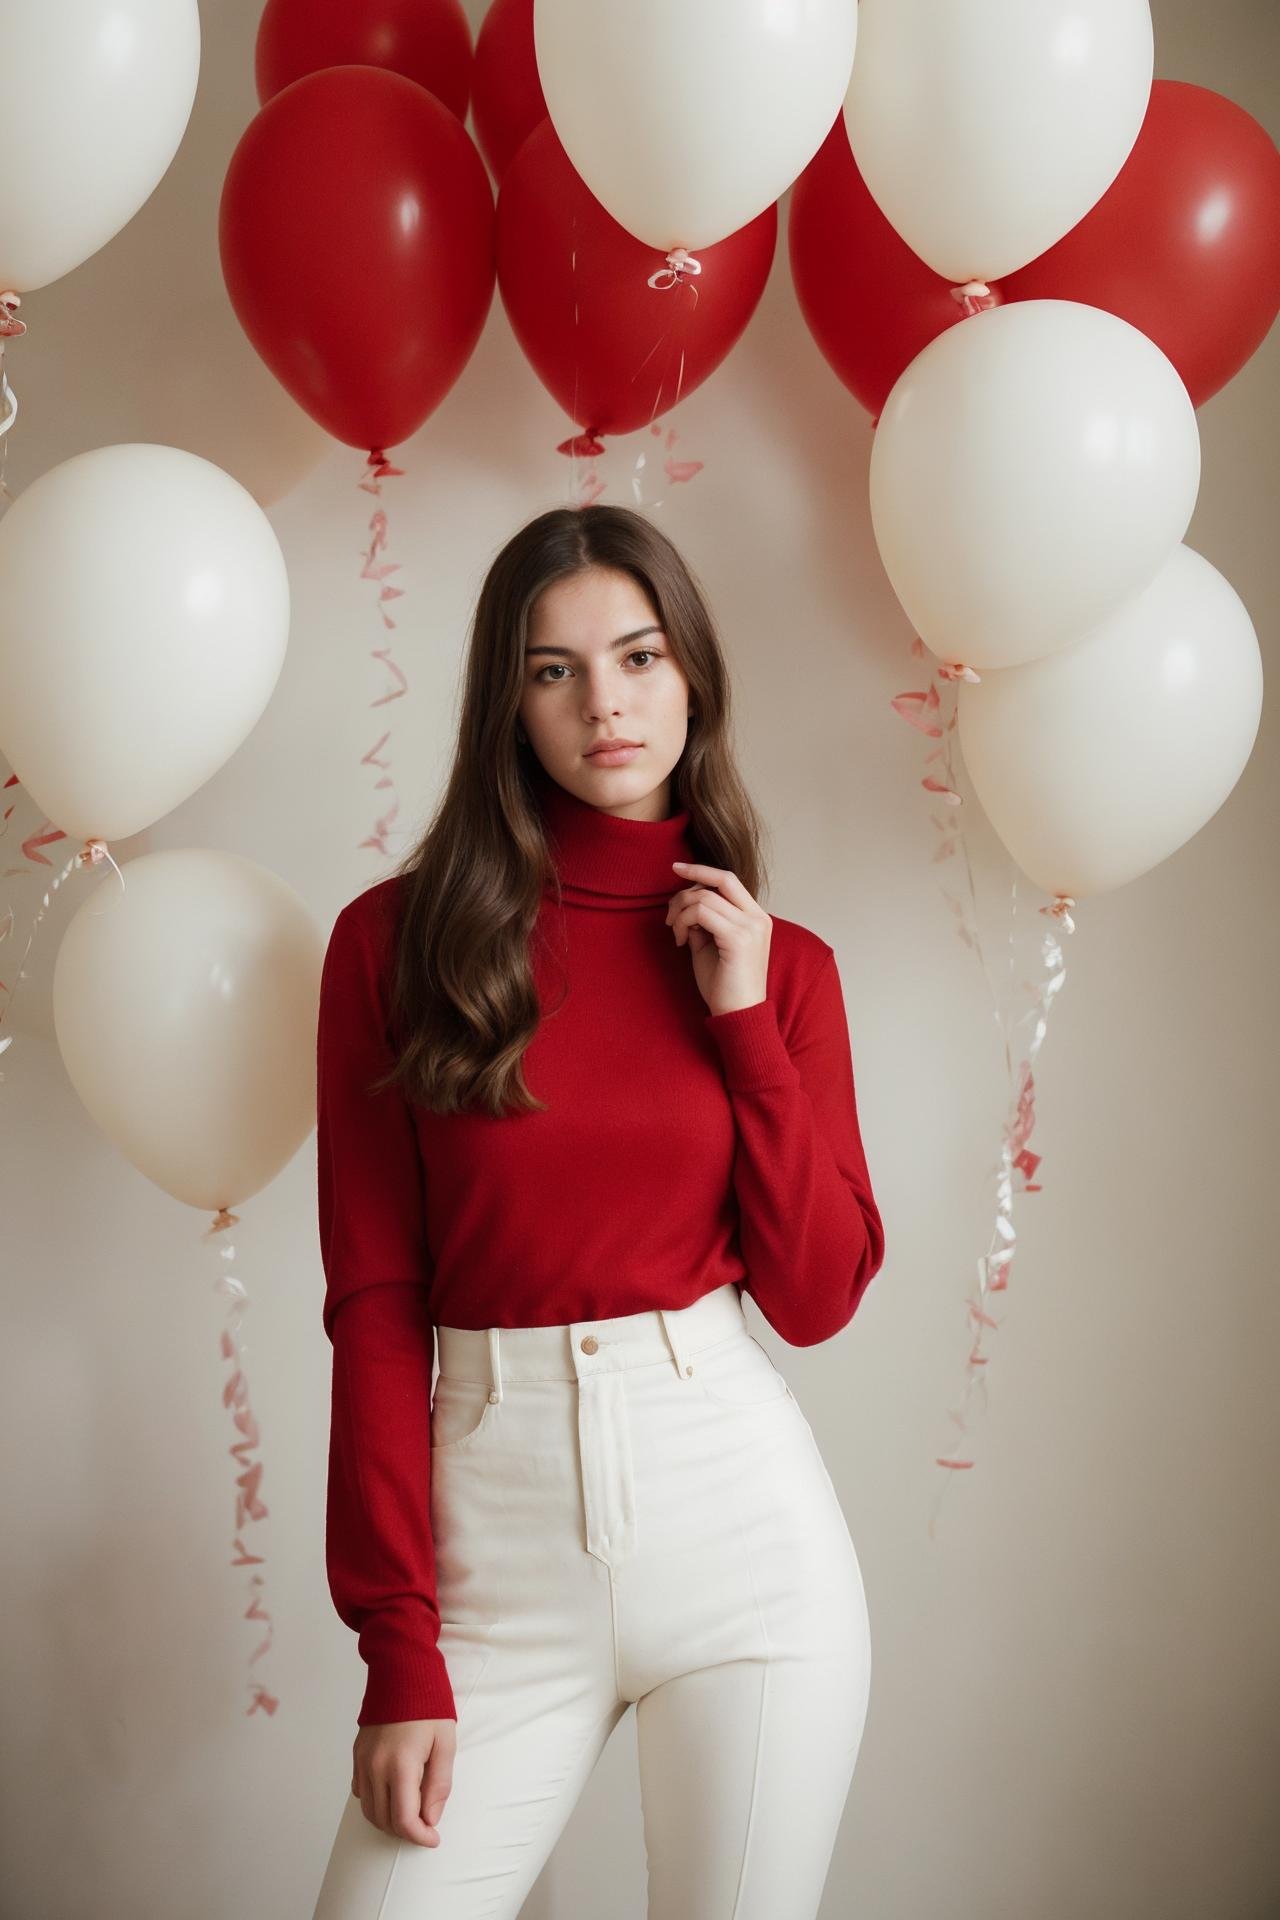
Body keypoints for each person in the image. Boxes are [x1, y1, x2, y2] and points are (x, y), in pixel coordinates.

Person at [311, 504, 886, 1919]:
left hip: (741, 1532)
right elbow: (377, 1305)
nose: (606, 703)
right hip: (491, 1553)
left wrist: (744, 1026)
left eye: (637, 656)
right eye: (553, 668)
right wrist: (400, 1646)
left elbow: (813, 1298)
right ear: (506, 700)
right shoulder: (393, 947)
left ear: (693, 674)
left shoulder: (781, 966)